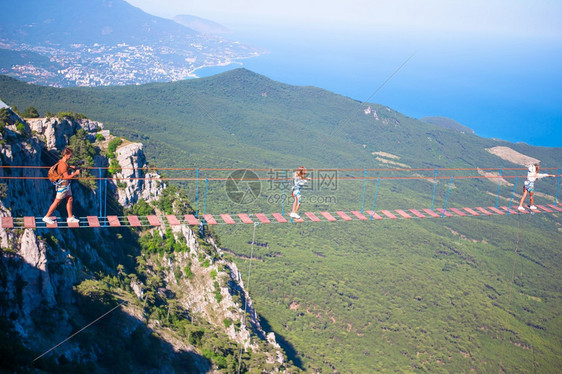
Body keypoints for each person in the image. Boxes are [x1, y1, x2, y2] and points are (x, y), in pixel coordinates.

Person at [43, 148, 81, 224]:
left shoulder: (62, 162)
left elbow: (63, 168)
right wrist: (75, 174)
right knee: (57, 202)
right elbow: (66, 176)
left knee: (70, 199)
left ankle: (70, 217)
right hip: (63, 186)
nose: (70, 157)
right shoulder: (63, 165)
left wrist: (70, 167)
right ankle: (47, 217)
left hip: (66, 185)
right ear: (66, 155)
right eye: (70, 155)